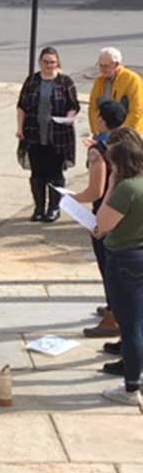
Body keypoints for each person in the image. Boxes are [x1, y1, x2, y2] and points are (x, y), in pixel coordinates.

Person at [73, 99, 128, 355]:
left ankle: (113, 316)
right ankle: (114, 309)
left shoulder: (100, 150)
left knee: (109, 270)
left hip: (106, 214)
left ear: (102, 120)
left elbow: (96, 189)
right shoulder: (129, 142)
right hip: (126, 215)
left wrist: (70, 198)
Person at [95, 128, 143, 407]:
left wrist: (112, 184)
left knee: (131, 324)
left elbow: (102, 224)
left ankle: (131, 388)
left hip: (125, 259)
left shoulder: (126, 189)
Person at [17, 47, 80, 223]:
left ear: (57, 62)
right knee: (37, 174)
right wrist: (20, 128)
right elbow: (22, 106)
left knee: (55, 174)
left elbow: (73, 106)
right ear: (40, 62)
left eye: (52, 62)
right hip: (34, 134)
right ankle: (38, 208)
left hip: (58, 136)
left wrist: (68, 118)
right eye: (45, 62)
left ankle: (54, 208)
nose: (49, 65)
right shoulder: (32, 81)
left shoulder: (65, 81)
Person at [89, 47, 143, 136]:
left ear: (117, 64)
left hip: (128, 134)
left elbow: (137, 111)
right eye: (100, 65)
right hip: (105, 133)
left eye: (106, 66)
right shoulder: (99, 82)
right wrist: (97, 131)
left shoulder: (132, 80)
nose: (102, 69)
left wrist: (121, 133)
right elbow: (93, 109)